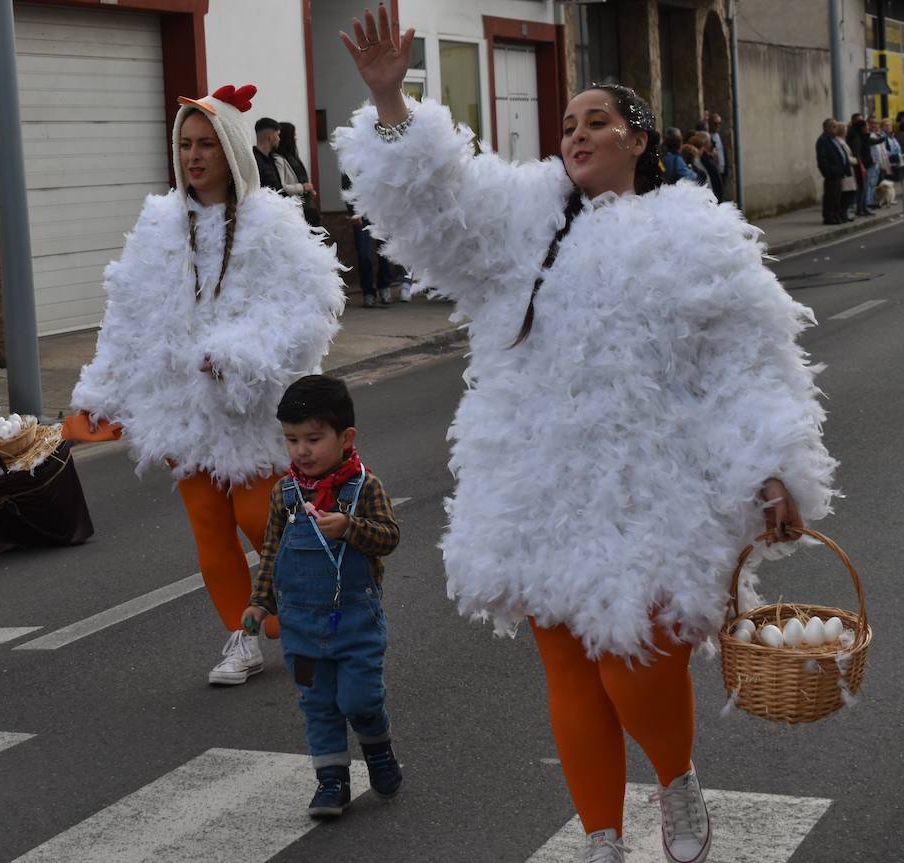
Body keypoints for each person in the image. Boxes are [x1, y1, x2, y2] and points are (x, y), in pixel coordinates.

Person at [335, 8, 835, 862]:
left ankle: (674, 780)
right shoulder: (524, 220)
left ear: (639, 140)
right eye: (567, 123)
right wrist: (390, 103)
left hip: (654, 489)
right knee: (569, 669)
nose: (577, 133)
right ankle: (602, 836)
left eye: (597, 120)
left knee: (635, 661)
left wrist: (775, 467)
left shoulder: (696, 231)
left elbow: (752, 361)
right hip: (542, 485)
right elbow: (434, 208)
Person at [70, 84, 344, 686]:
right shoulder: (159, 225)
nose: (194, 157)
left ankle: (304, 616)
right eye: (185, 145)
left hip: (253, 408)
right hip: (183, 408)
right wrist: (100, 389)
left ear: (231, 152)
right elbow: (127, 314)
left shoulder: (273, 223)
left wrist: (238, 353)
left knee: (261, 521)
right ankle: (242, 637)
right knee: (207, 525)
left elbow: (308, 310)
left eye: (206, 145)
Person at [243, 375, 401, 819]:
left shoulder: (364, 488)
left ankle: (378, 746)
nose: (301, 451)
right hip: (301, 626)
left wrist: (350, 528)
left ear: (345, 437)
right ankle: (331, 782)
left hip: (353, 620)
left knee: (358, 700)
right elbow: (272, 552)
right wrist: (260, 602)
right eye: (292, 440)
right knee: (318, 704)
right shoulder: (285, 493)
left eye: (313, 439)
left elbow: (390, 537)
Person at [341, 172, 393, 307]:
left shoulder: (381, 159)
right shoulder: (351, 162)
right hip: (361, 214)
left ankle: (385, 286)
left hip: (382, 214)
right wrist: (353, 212)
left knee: (385, 251)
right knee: (364, 253)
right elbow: (347, 186)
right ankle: (368, 291)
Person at [276, 121, 322, 227]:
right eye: (294, 135)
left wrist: (310, 189)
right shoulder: (279, 159)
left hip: (308, 205)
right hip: (297, 209)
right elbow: (283, 187)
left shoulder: (293, 157)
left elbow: (301, 178)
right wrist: (303, 187)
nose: (296, 138)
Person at [816, 117, 848, 225]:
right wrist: (828, 172)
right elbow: (822, 159)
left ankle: (836, 215)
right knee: (830, 196)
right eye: (834, 127)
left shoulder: (834, 139)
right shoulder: (823, 140)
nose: (836, 129)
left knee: (837, 196)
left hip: (838, 172)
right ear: (827, 128)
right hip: (831, 173)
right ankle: (829, 217)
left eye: (837, 126)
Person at [835, 120, 859, 221]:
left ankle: (844, 213)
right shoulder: (839, 141)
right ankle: (843, 213)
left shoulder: (843, 141)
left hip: (849, 170)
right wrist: (855, 160)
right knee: (847, 193)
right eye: (845, 129)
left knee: (850, 192)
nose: (847, 131)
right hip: (846, 170)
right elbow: (845, 157)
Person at [253, 116, 284, 192]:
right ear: (271, 137)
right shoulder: (253, 160)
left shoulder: (271, 159)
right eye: (278, 135)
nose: (279, 139)